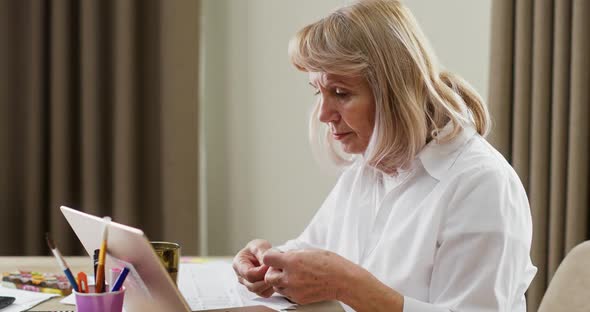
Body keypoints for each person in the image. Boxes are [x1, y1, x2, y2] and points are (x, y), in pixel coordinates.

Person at [232, 0, 537, 311]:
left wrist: (349, 285)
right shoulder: (370, 167)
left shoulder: (481, 185)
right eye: (318, 92)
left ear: (394, 90)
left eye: (340, 93)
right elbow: (311, 254)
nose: (324, 114)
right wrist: (267, 265)